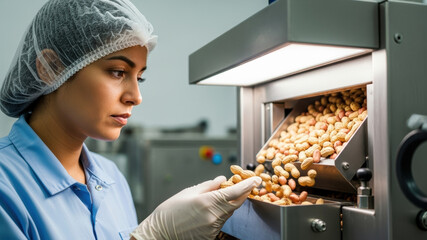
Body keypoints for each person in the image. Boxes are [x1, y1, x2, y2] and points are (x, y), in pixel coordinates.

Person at [0, 0, 261, 239]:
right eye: (117, 72)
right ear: (49, 68)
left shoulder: (110, 178)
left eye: (140, 77)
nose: (136, 97)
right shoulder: (6, 186)